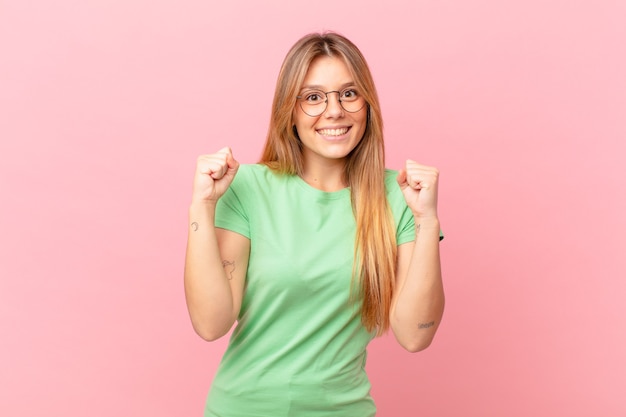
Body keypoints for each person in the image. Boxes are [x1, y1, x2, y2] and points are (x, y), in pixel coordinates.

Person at [184, 31, 445, 417]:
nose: (334, 110)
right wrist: (201, 207)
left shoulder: (401, 196)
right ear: (289, 111)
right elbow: (210, 324)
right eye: (313, 97)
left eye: (349, 94)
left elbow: (414, 335)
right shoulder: (248, 188)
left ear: (367, 105)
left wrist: (427, 220)